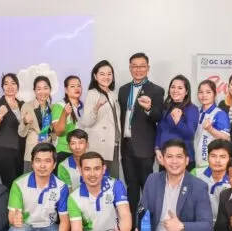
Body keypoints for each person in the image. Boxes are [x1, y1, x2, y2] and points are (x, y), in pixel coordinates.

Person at [134, 139, 214, 231]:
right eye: (169, 157)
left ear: (187, 161)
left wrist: (182, 227)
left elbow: (206, 225)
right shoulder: (152, 180)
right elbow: (142, 211)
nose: (174, 161)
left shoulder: (199, 186)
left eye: (179, 157)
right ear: (162, 160)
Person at [6, 143, 71, 231]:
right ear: (32, 163)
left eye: (47, 161)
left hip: (49, 229)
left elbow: (65, 219)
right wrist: (15, 219)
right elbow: (12, 214)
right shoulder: (19, 184)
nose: (42, 166)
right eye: (38, 160)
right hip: (27, 229)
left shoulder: (61, 187)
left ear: (54, 165)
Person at [118, 53, 165, 210]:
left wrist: (149, 108)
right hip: (126, 145)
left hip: (144, 146)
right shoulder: (123, 90)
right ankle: (131, 222)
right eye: (135, 66)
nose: (138, 69)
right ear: (130, 68)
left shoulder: (157, 90)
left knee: (147, 187)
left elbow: (158, 116)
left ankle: (146, 222)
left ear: (148, 68)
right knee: (131, 188)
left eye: (142, 66)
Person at [68, 152, 132, 231]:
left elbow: (125, 215)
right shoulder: (74, 197)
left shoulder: (115, 185)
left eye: (97, 168)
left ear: (104, 169)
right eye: (87, 169)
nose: (92, 174)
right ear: (80, 171)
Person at [80, 60, 122, 178]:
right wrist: (96, 107)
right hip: (99, 145)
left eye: (109, 74)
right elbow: (86, 122)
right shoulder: (92, 94)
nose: (106, 77)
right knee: (100, 179)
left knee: (113, 180)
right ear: (95, 76)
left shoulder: (113, 94)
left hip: (114, 144)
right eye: (102, 74)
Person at [156, 75, 199, 169]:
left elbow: (190, 135)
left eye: (180, 88)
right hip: (165, 157)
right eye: (173, 87)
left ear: (186, 91)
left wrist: (178, 121)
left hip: (183, 159)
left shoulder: (192, 109)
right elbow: (159, 130)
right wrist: (157, 149)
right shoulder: (165, 107)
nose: (175, 90)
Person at [0, 73, 25, 188]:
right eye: (6, 84)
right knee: (9, 184)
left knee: (20, 183)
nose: (10, 87)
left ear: (18, 86)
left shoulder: (22, 104)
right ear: (2, 87)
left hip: (21, 150)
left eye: (13, 83)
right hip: (4, 149)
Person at [18, 76, 55, 173]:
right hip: (32, 152)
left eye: (45, 88)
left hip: (47, 153)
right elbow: (21, 133)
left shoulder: (53, 108)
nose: (42, 92)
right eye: (39, 89)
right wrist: (25, 122)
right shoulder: (28, 106)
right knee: (29, 180)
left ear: (50, 89)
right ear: (34, 91)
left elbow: (54, 132)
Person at [194, 80, 230, 169]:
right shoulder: (195, 111)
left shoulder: (219, 113)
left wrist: (210, 129)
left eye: (208, 92)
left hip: (210, 162)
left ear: (214, 94)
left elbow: (226, 137)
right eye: (201, 92)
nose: (204, 95)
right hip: (194, 160)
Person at [191, 138, 231, 219]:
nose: (217, 160)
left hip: (226, 223)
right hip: (200, 221)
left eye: (222, 157)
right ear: (208, 157)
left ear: (229, 159)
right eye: (213, 156)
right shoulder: (196, 173)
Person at [52, 75, 84, 166]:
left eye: (79, 86)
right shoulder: (59, 106)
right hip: (64, 152)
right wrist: (64, 114)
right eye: (72, 86)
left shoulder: (83, 107)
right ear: (66, 90)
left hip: (81, 153)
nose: (77, 88)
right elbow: (58, 131)